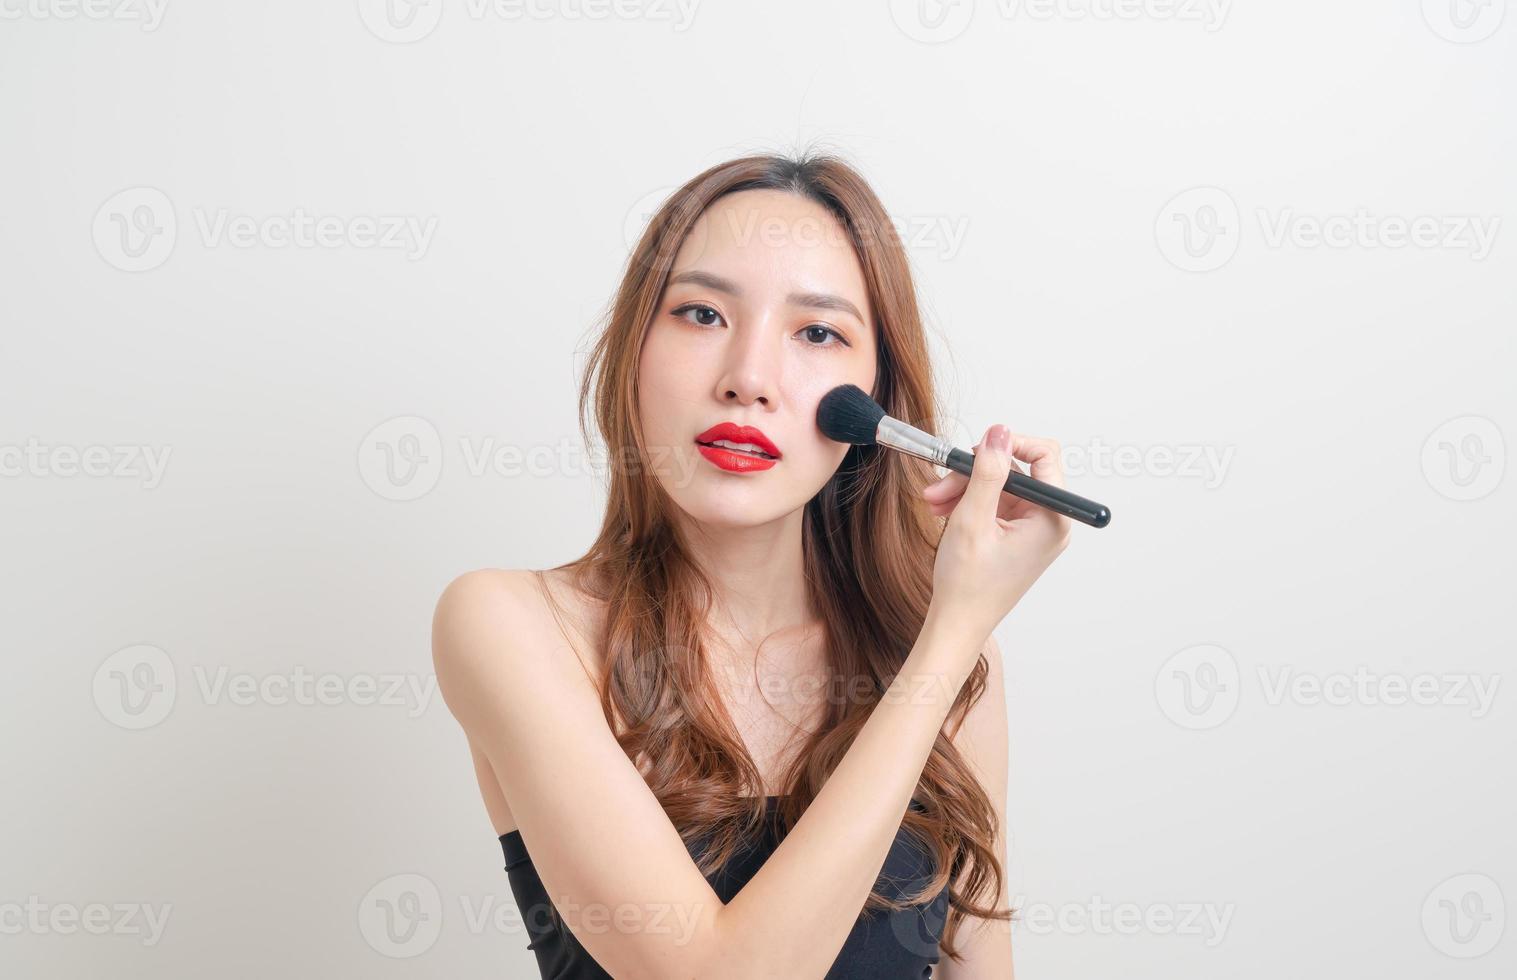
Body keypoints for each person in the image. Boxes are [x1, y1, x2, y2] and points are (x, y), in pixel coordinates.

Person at [433, 150, 1071, 978]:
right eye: (701, 315)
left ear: (876, 399)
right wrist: (951, 634)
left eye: (816, 332)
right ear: (632, 348)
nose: (749, 379)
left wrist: (950, 639)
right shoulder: (512, 626)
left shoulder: (947, 651)